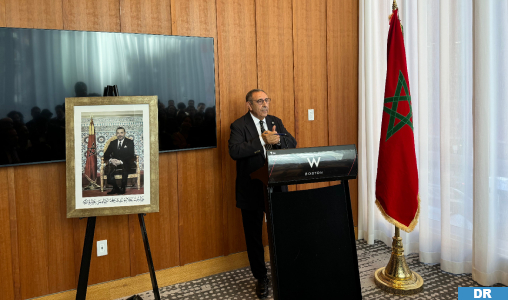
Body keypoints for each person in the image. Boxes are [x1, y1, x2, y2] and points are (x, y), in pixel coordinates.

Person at [228, 89, 297, 299]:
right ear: (249, 105)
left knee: (281, 230)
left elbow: (292, 143)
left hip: (277, 186)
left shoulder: (276, 120)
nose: (265, 104)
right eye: (260, 101)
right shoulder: (239, 126)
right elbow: (235, 152)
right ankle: (261, 277)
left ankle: (283, 271)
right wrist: (262, 140)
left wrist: (277, 141)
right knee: (254, 237)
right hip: (251, 189)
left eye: (267, 100)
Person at [103, 127, 135, 195]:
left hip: (126, 162)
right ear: (116, 134)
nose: (119, 134)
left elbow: (131, 155)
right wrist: (111, 160)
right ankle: (115, 188)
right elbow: (106, 154)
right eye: (118, 133)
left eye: (121, 133)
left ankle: (123, 188)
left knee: (125, 168)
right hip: (114, 163)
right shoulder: (112, 143)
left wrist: (121, 161)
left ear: (124, 133)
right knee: (108, 171)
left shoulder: (129, 142)